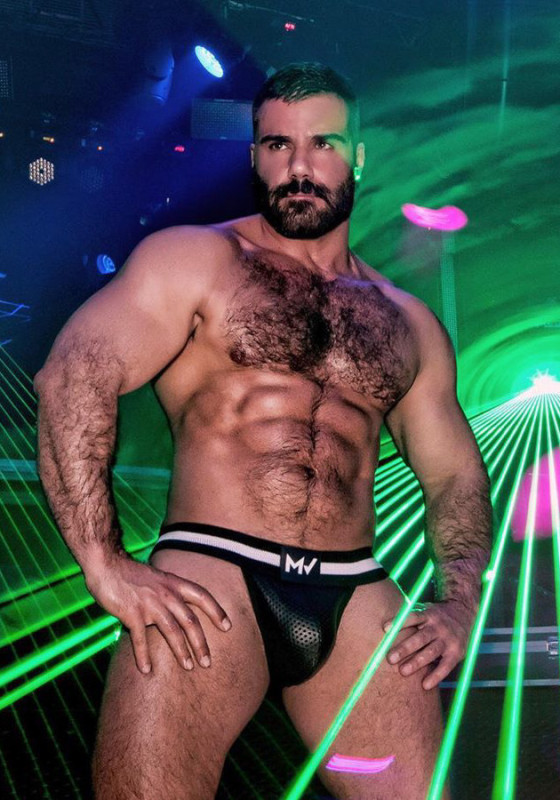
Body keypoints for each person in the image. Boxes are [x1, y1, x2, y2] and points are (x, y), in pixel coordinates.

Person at [35, 62, 492, 800]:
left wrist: (461, 601)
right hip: (211, 579)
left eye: (323, 143)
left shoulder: (407, 320)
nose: (299, 167)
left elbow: (454, 474)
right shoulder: (197, 260)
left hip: (353, 587)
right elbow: (72, 377)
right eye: (278, 145)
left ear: (357, 155)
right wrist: (102, 560)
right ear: (254, 156)